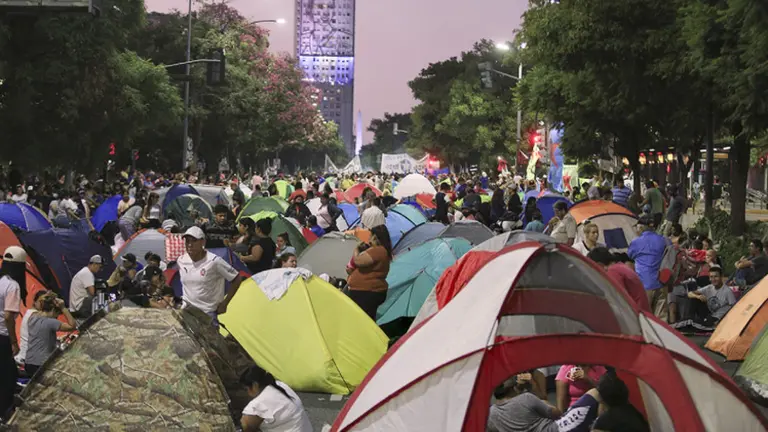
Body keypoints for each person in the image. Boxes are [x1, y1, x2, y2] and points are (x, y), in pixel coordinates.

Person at [177, 227, 243, 322]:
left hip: (207, 313)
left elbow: (237, 278)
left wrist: (225, 303)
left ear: (202, 242)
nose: (190, 245)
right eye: (187, 241)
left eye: (194, 241)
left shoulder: (214, 261)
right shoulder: (181, 260)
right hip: (187, 311)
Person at [239, 364, 312, 432]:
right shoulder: (281, 385)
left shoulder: (258, 403)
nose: (247, 393)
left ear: (255, 385)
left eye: (246, 389)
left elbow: (245, 425)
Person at [0, 246, 27, 418]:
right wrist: (13, 341)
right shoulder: (13, 286)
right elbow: (9, 317)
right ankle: (5, 410)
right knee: (8, 375)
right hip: (2, 336)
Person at [346, 225, 393, 319]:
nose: (369, 239)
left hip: (367, 291)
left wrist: (356, 250)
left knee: (363, 318)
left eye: (370, 236)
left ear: (375, 237)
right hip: (365, 291)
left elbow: (358, 261)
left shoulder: (379, 251)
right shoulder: (378, 251)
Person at [628, 214, 670, 319]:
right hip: (662, 282)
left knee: (645, 317)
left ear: (641, 227)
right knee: (662, 319)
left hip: (644, 284)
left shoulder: (636, 242)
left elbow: (629, 256)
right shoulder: (663, 240)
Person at [24, 293, 77, 376]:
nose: (57, 317)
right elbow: (72, 326)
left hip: (29, 362)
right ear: (53, 310)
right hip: (41, 364)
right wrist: (63, 308)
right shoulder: (50, 322)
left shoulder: (32, 317)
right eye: (58, 314)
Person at [487, 374, 561, 432]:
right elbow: (557, 414)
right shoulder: (526, 398)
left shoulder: (491, 413)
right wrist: (533, 384)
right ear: (512, 388)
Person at [588, 248, 651, 312]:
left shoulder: (612, 272)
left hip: (637, 314)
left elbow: (620, 299)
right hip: (642, 311)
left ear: (599, 265)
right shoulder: (619, 266)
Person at [14, 290, 49, 365]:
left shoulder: (30, 313)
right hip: (28, 359)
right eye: (41, 301)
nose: (43, 304)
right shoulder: (35, 316)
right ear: (35, 301)